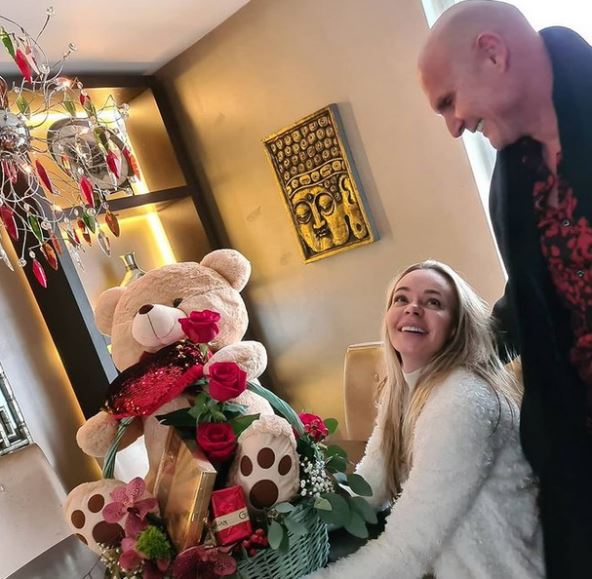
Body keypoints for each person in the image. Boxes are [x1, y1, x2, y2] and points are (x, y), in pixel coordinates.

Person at [418, 2, 592, 576]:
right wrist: (451, 348)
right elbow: (533, 297)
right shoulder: (512, 182)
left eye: (448, 102)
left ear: (493, 53)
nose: (453, 126)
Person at [307, 261, 543, 579]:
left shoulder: (461, 401)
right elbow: (370, 488)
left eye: (433, 302)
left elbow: (405, 552)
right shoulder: (402, 393)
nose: (413, 308)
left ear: (457, 327)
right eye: (401, 299)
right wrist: (291, 521)